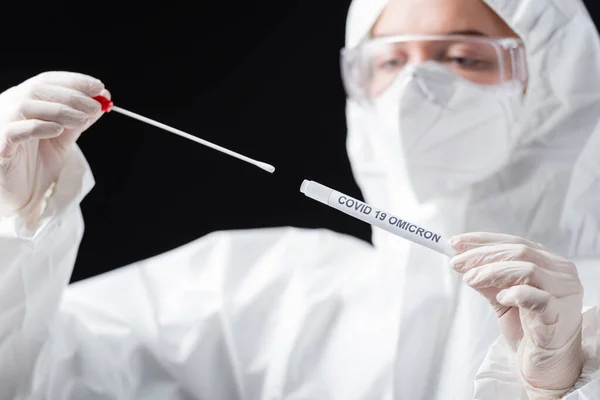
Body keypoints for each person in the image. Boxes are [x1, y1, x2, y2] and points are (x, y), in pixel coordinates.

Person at [1, 0, 600, 399]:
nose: (415, 89)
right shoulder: (261, 287)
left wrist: (563, 380)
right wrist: (15, 221)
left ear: (557, 80)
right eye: (389, 61)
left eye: (465, 56)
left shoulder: (586, 315)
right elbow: (36, 379)